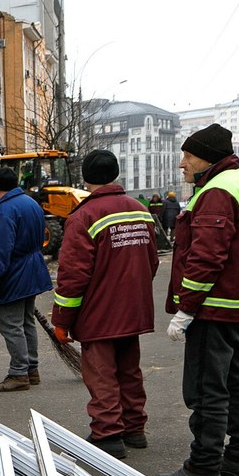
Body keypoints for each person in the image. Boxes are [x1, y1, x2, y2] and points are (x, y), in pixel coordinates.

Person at [155, 123, 239, 476]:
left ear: (209, 157)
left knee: (207, 389)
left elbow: (206, 257)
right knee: (237, 382)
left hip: (215, 310)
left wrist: (186, 309)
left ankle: (203, 467)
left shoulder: (217, 192)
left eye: (188, 155)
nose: (181, 163)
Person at [51, 150, 158, 459]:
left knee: (101, 374)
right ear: (116, 174)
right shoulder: (139, 210)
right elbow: (150, 261)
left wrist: (62, 320)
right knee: (129, 370)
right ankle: (134, 428)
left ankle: (108, 433)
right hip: (133, 309)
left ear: (85, 178)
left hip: (99, 313)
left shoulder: (84, 216)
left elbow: (72, 276)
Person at [0, 167, 53, 392]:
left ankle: (19, 373)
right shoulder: (30, 203)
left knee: (11, 324)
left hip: (12, 275)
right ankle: (31, 369)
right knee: (26, 321)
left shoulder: (4, 211)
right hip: (32, 271)